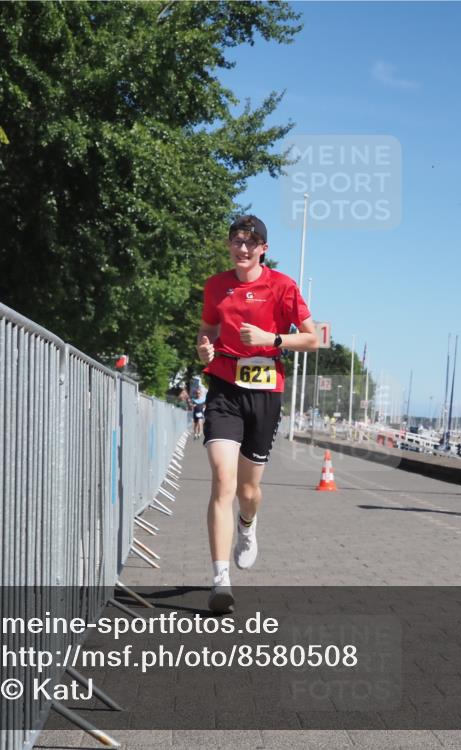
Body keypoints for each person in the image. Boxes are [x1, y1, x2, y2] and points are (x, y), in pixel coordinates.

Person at [196, 215, 318, 613]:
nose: (243, 249)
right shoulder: (216, 285)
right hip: (224, 389)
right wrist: (204, 349)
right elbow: (207, 330)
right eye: (236, 241)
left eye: (251, 243)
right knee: (222, 481)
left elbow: (313, 338)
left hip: (265, 391)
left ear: (263, 248)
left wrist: (273, 339)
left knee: (248, 492)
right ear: (229, 245)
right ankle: (219, 582)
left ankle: (247, 527)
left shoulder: (283, 287)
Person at [190, 376, 207, 441]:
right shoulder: (194, 400)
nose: (198, 394)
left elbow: (205, 405)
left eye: (199, 393)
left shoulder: (203, 399)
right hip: (195, 413)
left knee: (200, 423)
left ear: (201, 393)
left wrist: (204, 407)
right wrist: (192, 406)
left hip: (201, 413)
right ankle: (195, 433)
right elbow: (191, 406)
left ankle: (199, 433)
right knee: (195, 424)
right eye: (197, 393)